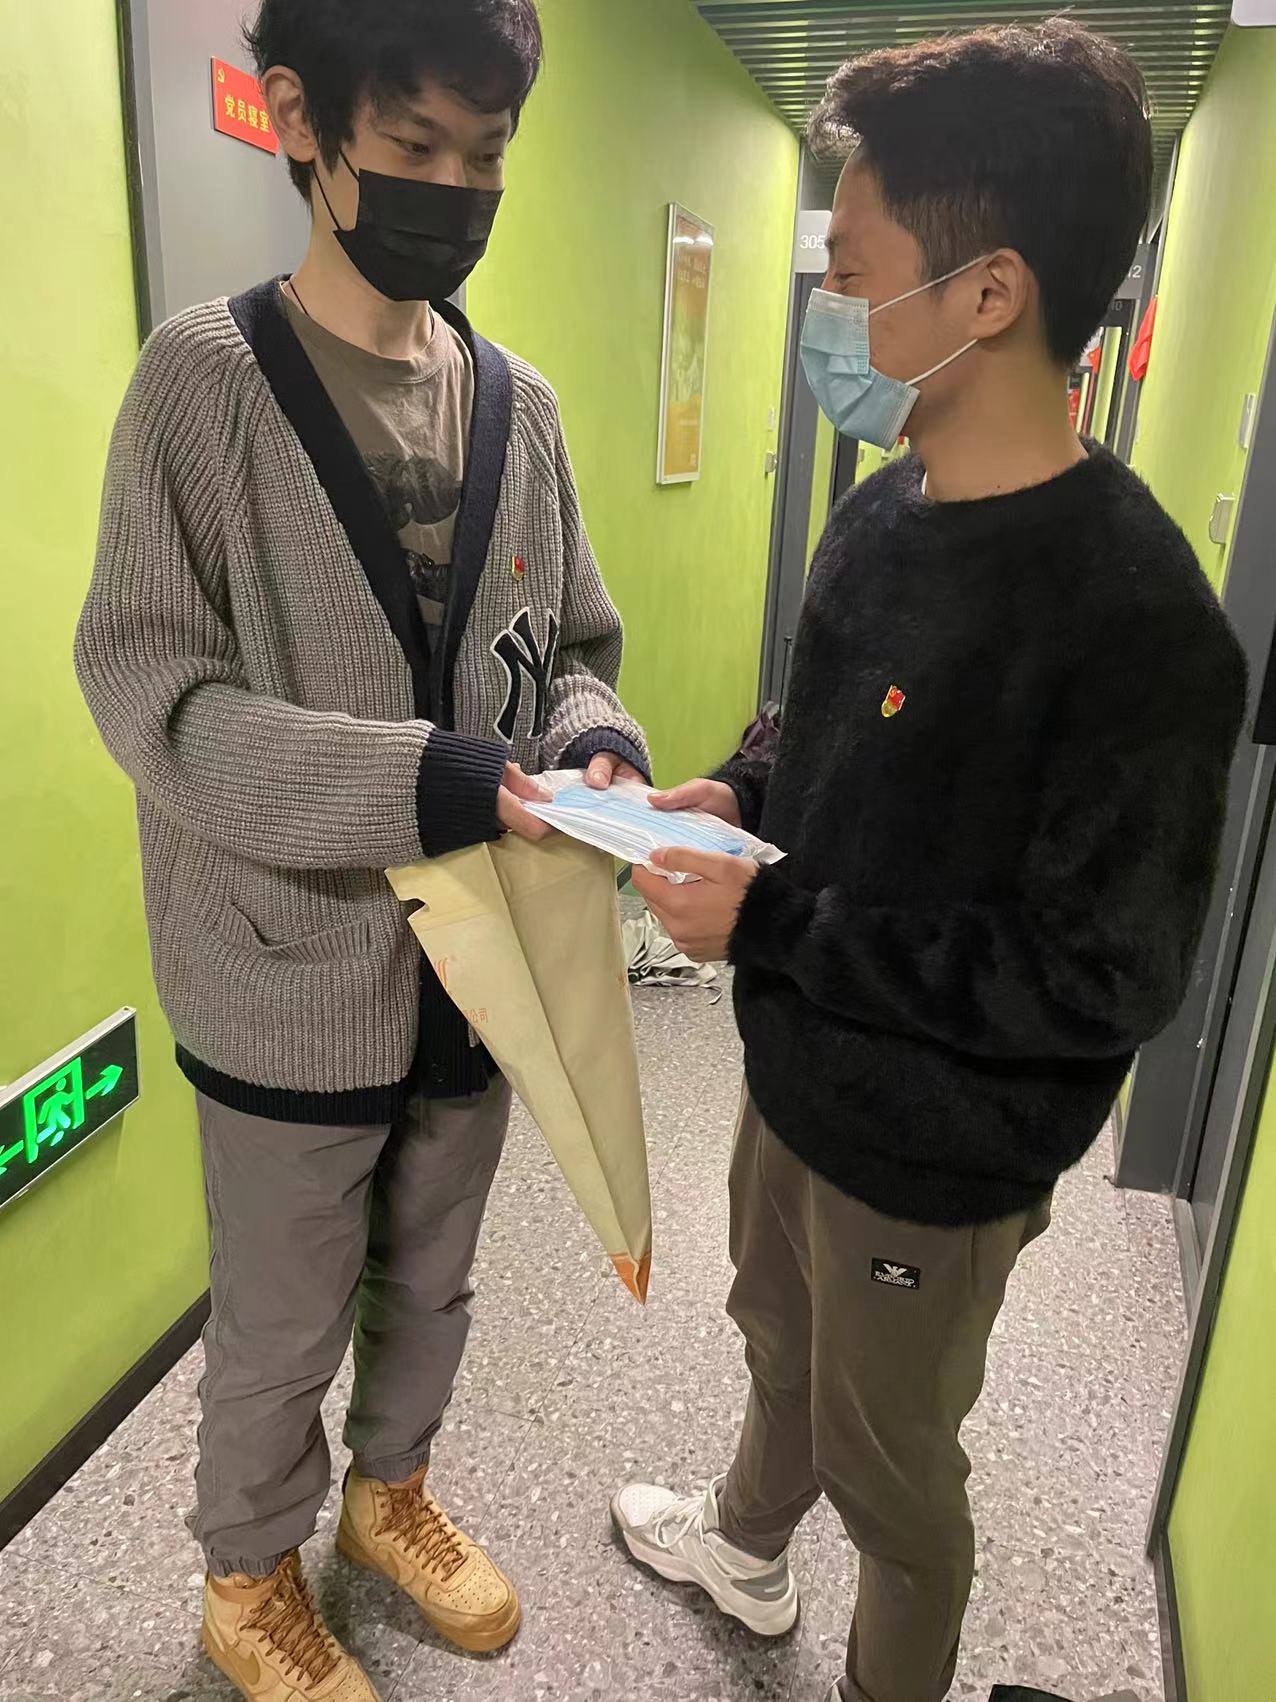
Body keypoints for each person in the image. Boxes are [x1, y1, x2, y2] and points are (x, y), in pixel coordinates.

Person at [613, 21, 1245, 1702]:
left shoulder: (1139, 626)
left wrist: (777, 916)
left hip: (935, 1153)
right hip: (792, 1075)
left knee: (891, 1475)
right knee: (778, 1343)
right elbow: (813, 728)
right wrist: (732, 790)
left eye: (852, 270)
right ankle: (745, 1551)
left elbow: (1096, 973)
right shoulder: (880, 509)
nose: (829, 307)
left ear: (989, 295)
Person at [75, 2, 647, 1697]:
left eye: (488, 156)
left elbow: (575, 642)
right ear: (302, 121)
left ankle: (390, 1492)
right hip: (283, 977)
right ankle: (246, 1571)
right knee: (279, 1316)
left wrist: (595, 745)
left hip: (482, 971)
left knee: (434, 1272)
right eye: (413, 148)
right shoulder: (200, 387)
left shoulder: (520, 407)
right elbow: (157, 699)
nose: (455, 190)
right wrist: (429, 779)